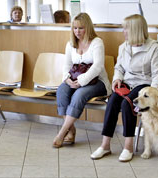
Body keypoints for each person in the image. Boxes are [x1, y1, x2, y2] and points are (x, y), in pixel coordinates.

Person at [90, 14, 158, 162]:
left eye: (126, 28)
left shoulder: (154, 48)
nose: (123, 31)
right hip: (127, 83)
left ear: (136, 30)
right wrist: (117, 78)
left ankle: (128, 146)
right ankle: (105, 145)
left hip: (144, 85)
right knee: (112, 101)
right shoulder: (124, 47)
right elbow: (119, 67)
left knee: (128, 104)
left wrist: (152, 93)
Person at [53, 13, 111, 148]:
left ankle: (62, 133)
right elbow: (66, 65)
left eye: (81, 28)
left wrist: (81, 81)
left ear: (88, 28)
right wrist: (67, 80)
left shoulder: (97, 42)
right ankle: (71, 130)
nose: (77, 32)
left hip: (98, 82)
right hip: (74, 81)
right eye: (75, 28)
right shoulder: (70, 44)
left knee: (79, 94)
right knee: (61, 91)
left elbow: (98, 66)